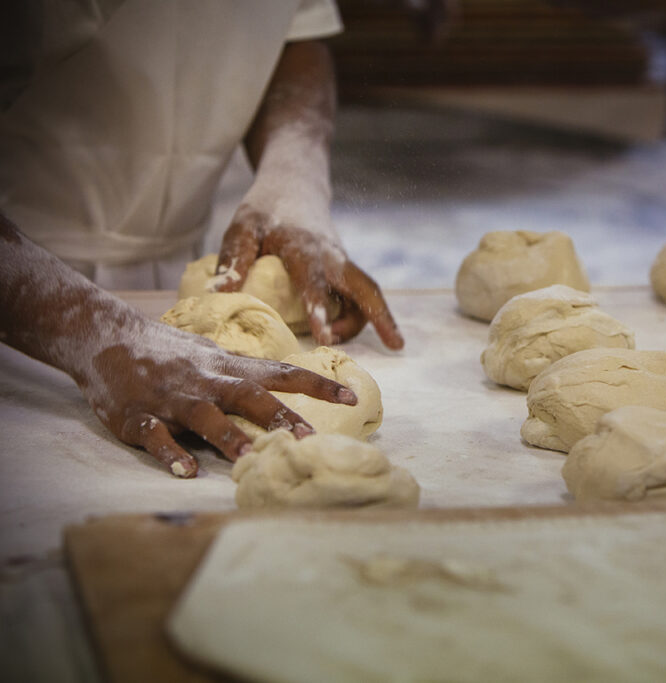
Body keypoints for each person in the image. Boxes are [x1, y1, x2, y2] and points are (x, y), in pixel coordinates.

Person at [0, 0, 402, 478]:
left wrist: (293, 179)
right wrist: (94, 335)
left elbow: (298, 36)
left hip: (183, 278)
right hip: (23, 293)